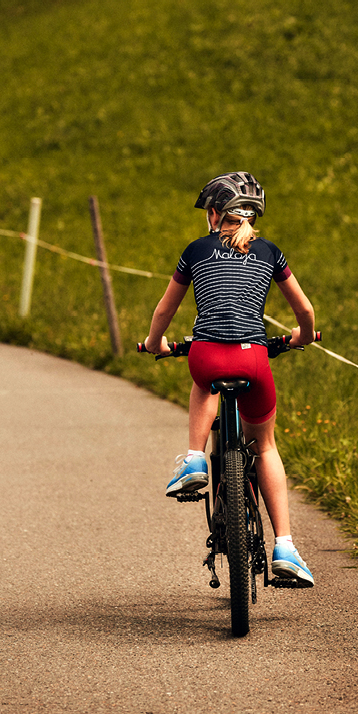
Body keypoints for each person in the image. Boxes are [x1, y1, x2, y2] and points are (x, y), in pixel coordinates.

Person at [144, 172, 316, 586]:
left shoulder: (195, 251)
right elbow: (306, 313)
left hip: (206, 356)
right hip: (254, 359)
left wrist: (155, 343)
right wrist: (303, 338)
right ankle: (286, 547)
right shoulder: (271, 252)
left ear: (216, 214)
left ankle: (194, 458)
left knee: (204, 382)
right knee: (267, 445)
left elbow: (165, 311)